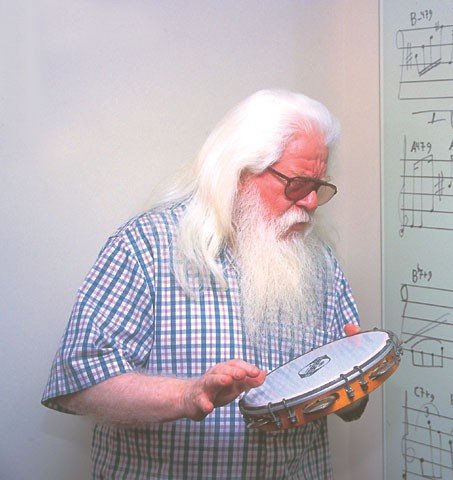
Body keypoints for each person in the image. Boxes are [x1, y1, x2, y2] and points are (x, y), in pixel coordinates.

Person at [42, 89, 367, 479]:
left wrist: (354, 384)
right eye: (297, 184)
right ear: (240, 174)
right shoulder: (146, 245)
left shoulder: (319, 260)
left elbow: (348, 403)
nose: (311, 203)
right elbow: (78, 383)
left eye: (319, 187)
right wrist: (186, 395)